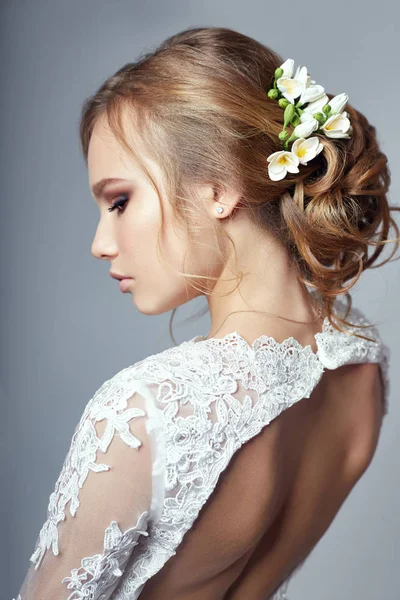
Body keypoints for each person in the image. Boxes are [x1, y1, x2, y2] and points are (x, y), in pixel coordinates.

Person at [13, 26, 397, 600]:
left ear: (217, 188)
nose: (100, 242)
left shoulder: (145, 412)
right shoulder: (362, 365)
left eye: (120, 201)